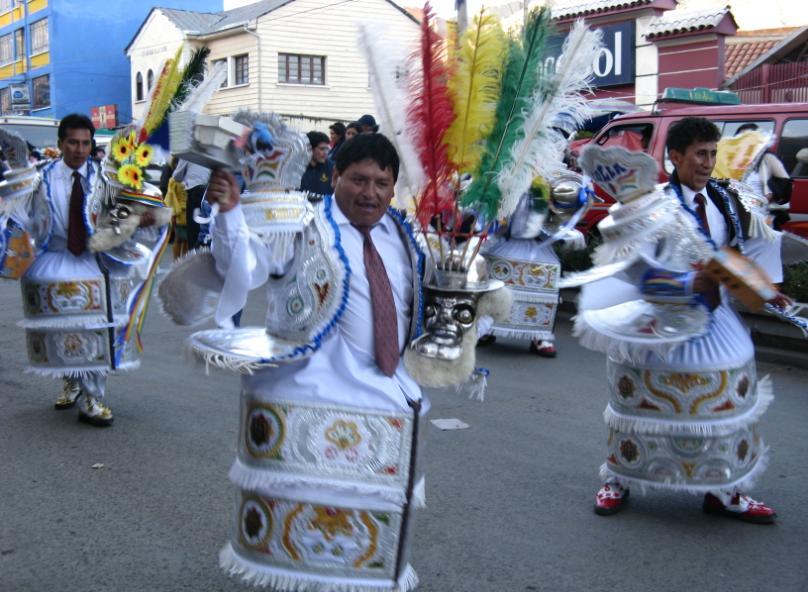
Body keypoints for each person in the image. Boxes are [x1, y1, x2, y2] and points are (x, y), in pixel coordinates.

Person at [162, 130, 435, 589]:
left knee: (365, 537)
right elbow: (242, 266)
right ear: (334, 177)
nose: (370, 193)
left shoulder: (406, 237)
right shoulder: (301, 226)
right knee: (301, 532)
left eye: (381, 183)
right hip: (307, 400)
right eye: (358, 179)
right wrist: (229, 214)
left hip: (389, 406)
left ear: (393, 187)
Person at [572, 117, 787, 523]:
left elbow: (747, 253)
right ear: (674, 157)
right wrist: (690, 281)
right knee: (639, 403)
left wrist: (764, 288)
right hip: (658, 319)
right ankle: (618, 478)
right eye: (700, 155)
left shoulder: (728, 201)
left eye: (713, 154)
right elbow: (635, 271)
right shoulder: (647, 207)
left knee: (729, 395)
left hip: (715, 317)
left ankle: (724, 488)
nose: (708, 163)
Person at [0, 114, 169, 426]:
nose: (79, 149)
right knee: (63, 329)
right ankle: (72, 380)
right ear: (61, 143)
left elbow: (121, 219)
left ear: (92, 144)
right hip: (55, 258)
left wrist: (136, 222)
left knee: (98, 329)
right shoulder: (41, 179)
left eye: (85, 143)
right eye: (73, 142)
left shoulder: (108, 181)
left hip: (96, 261)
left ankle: (93, 396)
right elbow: (21, 217)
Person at [171, 158, 210, 248]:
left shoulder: (188, 154)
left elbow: (177, 176)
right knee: (204, 232)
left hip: (194, 194)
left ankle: (194, 257)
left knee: (193, 234)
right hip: (207, 195)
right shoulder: (209, 152)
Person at [299, 130, 333, 196]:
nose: (325, 153)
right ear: (309, 149)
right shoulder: (296, 167)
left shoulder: (331, 167)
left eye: (327, 149)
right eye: (322, 149)